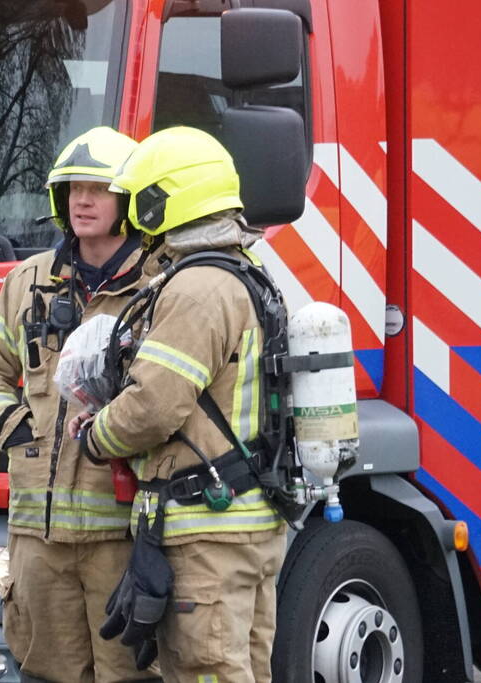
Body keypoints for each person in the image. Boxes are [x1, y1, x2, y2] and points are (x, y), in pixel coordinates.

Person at [69, 126, 287, 683]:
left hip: (206, 531)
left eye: (141, 200)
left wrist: (95, 436)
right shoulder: (248, 274)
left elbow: (154, 406)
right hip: (247, 521)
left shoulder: (197, 289)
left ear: (164, 199)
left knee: (205, 668)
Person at [0, 126, 160, 683]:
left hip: (120, 538)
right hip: (36, 538)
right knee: (41, 672)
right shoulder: (28, 281)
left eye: (99, 188)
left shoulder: (158, 284)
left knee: (130, 673)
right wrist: (16, 430)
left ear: (129, 200)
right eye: (73, 188)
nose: (83, 199)